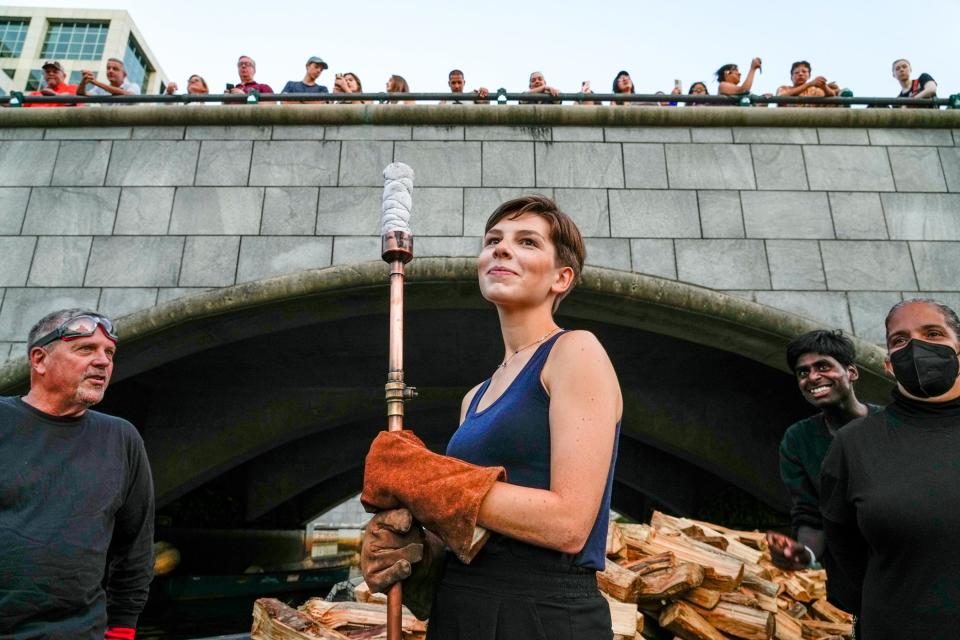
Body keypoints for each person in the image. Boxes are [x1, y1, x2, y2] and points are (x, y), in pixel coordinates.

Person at [361, 195, 622, 638]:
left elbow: (570, 524)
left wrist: (426, 479)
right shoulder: (474, 397)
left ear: (562, 278)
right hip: (462, 610)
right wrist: (418, 548)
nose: (501, 249)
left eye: (527, 242)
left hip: (542, 614)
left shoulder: (575, 352)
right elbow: (474, 530)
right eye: (493, 240)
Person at [0, 309, 154, 639]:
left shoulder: (121, 438)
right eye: (86, 349)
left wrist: (122, 630)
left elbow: (134, 548)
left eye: (109, 352)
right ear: (40, 360)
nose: (103, 361)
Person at [821, 298, 960, 638]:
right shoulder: (853, 446)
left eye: (933, 333)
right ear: (888, 364)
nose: (916, 347)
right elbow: (841, 553)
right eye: (900, 340)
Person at [765, 329, 880, 613]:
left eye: (824, 366)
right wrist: (803, 553)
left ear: (851, 372)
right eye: (803, 372)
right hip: (858, 593)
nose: (812, 377)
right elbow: (812, 516)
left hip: (917, 578)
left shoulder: (894, 426)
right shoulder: (798, 440)